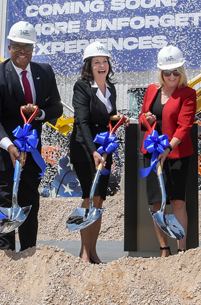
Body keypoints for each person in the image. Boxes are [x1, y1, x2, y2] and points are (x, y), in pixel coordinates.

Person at [0, 21, 63, 252]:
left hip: (31, 148)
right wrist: (9, 146)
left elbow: (56, 108)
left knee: (29, 197)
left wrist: (39, 113)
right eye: (17, 47)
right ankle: (4, 253)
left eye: (28, 47)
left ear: (33, 49)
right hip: (0, 146)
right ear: (9, 47)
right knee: (5, 196)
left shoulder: (44, 72)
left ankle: (29, 252)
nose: (23, 52)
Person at [69, 42, 126, 264]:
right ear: (89, 66)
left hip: (105, 149)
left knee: (100, 199)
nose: (101, 65)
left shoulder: (110, 87)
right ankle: (84, 252)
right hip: (86, 149)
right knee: (89, 197)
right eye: (96, 62)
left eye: (104, 61)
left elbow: (107, 116)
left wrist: (119, 118)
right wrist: (93, 151)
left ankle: (93, 250)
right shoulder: (81, 87)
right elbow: (81, 122)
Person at [141, 45, 197, 256]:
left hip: (176, 155)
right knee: (157, 203)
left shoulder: (188, 93)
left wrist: (167, 149)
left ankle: (181, 249)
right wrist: (146, 120)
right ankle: (164, 249)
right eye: (167, 71)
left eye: (176, 71)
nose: (172, 75)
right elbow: (142, 116)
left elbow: (184, 126)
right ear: (161, 72)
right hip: (152, 153)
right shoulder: (151, 90)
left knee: (178, 202)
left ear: (181, 71)